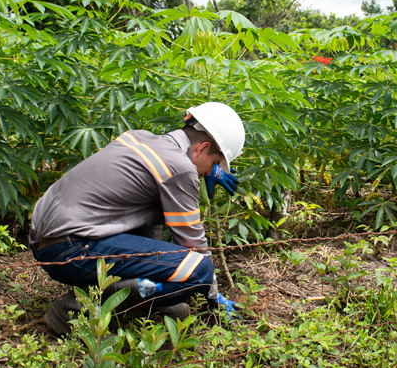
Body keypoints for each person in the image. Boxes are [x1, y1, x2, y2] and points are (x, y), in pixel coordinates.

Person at [30, 101, 244, 334]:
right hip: (71, 248)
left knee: (156, 208)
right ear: (202, 148)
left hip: (49, 239)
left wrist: (209, 168)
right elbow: (193, 243)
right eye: (213, 163)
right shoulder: (179, 168)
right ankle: (75, 309)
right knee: (199, 270)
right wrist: (212, 293)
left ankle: (142, 294)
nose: (207, 171)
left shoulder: (137, 137)